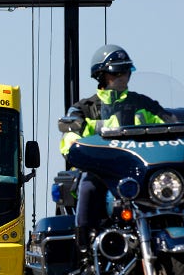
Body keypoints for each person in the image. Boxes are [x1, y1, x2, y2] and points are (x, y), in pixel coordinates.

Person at [58, 44, 175, 255]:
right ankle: (84, 244)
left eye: (125, 72)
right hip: (101, 171)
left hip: (138, 170)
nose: (122, 77)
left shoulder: (143, 104)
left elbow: (171, 124)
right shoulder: (84, 108)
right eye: (116, 72)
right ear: (101, 76)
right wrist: (77, 148)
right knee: (88, 186)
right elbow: (70, 137)